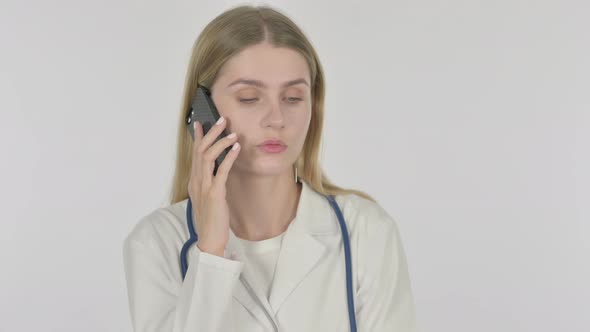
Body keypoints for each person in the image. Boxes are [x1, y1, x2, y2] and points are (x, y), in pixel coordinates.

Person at [122, 4, 417, 331]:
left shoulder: (366, 232)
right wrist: (210, 253)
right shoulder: (157, 242)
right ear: (202, 110)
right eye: (249, 98)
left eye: (292, 98)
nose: (276, 119)